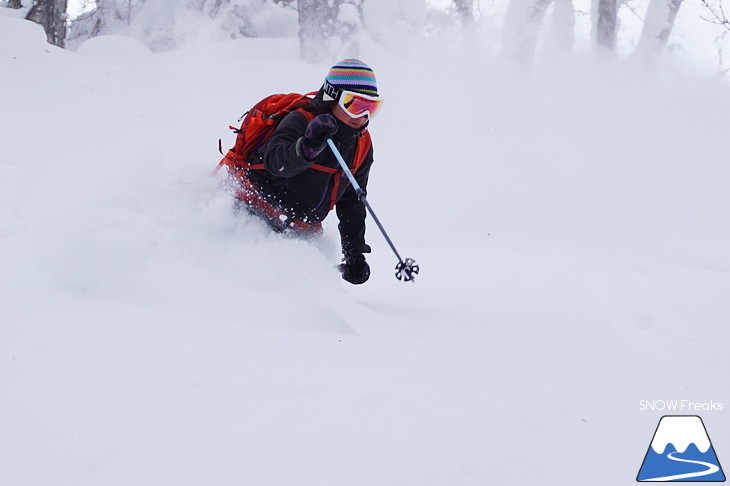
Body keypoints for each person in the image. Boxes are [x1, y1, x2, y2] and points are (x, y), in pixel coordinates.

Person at [236, 58, 383, 285]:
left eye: (371, 108)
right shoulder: (300, 120)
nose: (362, 116)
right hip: (251, 218)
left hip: (301, 232)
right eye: (354, 105)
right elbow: (276, 164)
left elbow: (352, 199)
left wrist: (354, 253)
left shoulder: (361, 144)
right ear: (332, 97)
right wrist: (307, 147)